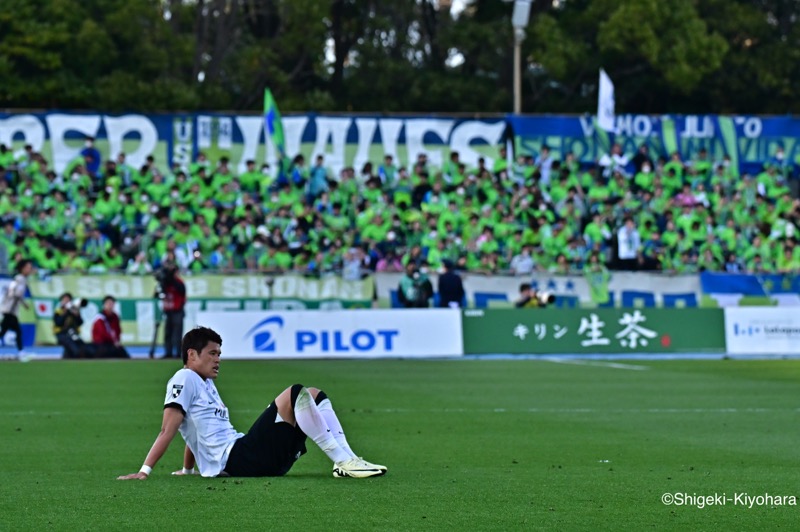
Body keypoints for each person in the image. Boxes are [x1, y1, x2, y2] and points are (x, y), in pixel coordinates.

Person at [117, 326, 386, 480]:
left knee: (314, 394)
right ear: (191, 354)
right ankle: (343, 462)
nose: (218, 359)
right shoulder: (184, 378)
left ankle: (347, 460)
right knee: (295, 392)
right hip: (241, 458)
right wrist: (144, 471)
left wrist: (188, 469)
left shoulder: (205, 383)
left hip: (253, 459)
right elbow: (169, 428)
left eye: (219, 353)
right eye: (212, 353)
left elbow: (195, 429)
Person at [0, 259, 33, 358]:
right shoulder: (21, 279)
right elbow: (17, 294)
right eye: (28, 268)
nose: (29, 270)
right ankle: (21, 351)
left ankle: (21, 351)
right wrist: (24, 304)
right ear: (22, 268)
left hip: (8, 309)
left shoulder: (16, 279)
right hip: (10, 310)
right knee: (17, 331)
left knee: (4, 330)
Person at [158, 261, 186, 359]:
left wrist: (171, 279)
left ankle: (178, 353)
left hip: (177, 310)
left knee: (177, 333)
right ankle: (168, 352)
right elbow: (159, 292)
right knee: (168, 333)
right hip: (168, 310)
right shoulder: (166, 282)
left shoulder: (179, 283)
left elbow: (181, 291)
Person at [53, 292, 94, 358]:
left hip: (73, 334)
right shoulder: (58, 311)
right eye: (65, 300)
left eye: (68, 300)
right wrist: (66, 312)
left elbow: (80, 323)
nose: (67, 302)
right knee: (73, 347)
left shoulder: (74, 310)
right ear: (61, 302)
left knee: (81, 345)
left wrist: (76, 315)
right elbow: (58, 323)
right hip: (62, 334)